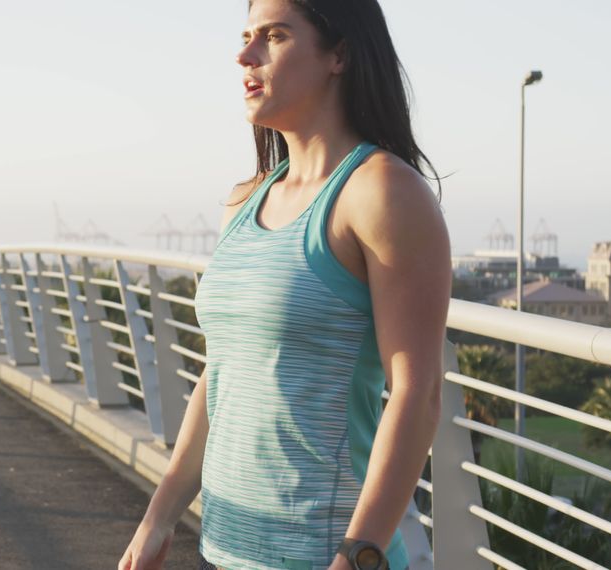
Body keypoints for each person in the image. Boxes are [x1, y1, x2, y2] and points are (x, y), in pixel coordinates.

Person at [119, 0, 450, 568]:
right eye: (246, 36)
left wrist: (359, 553)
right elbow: (222, 373)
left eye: (272, 36)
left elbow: (418, 395)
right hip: (225, 548)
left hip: (324, 555)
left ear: (338, 55)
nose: (245, 54)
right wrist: (160, 515)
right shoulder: (244, 200)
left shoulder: (382, 193)